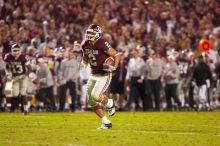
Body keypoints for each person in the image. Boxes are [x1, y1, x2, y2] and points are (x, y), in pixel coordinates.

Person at [81, 24, 121, 129]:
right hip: (93, 73)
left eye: (91, 33)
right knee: (90, 101)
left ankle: (109, 102)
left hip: (104, 73)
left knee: (95, 96)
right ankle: (106, 122)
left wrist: (114, 67)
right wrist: (83, 63)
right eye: (88, 33)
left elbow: (116, 55)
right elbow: (86, 56)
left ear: (97, 34)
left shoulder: (102, 42)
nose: (89, 35)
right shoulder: (85, 44)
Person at [3, 44, 31, 115]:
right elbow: (7, 67)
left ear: (20, 50)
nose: (15, 52)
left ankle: (26, 109)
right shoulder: (8, 56)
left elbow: (30, 68)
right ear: (11, 51)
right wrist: (8, 73)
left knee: (23, 93)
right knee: (15, 94)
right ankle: (19, 104)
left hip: (23, 76)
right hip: (15, 77)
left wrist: (25, 75)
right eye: (14, 50)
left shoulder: (23, 57)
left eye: (17, 50)